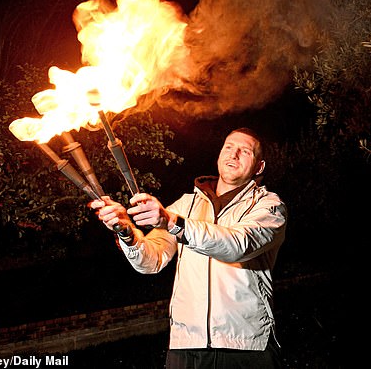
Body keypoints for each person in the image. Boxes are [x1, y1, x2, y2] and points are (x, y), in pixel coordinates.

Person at [90, 127, 287, 368]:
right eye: (228, 147)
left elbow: (237, 244)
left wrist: (172, 222)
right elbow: (152, 260)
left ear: (259, 166)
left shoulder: (269, 206)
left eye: (245, 151)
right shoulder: (186, 204)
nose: (233, 154)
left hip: (245, 345)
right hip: (186, 346)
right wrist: (127, 232)